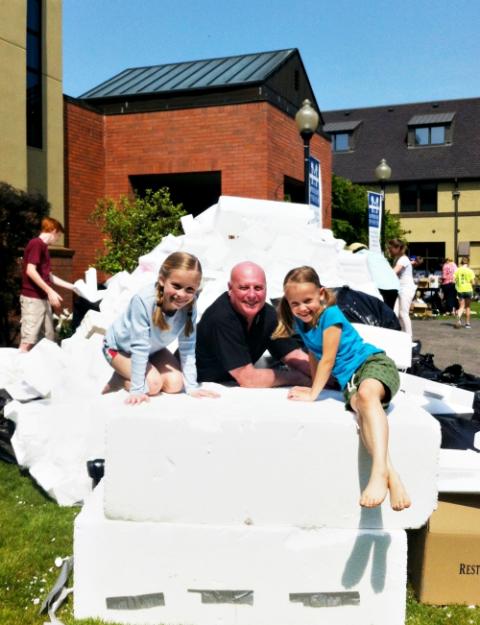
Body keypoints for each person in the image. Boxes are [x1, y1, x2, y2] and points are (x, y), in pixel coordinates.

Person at [273, 266, 410, 511]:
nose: (302, 308)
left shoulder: (331, 315)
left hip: (372, 365)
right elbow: (314, 357)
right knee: (362, 411)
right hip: (350, 383)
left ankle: (378, 474)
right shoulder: (302, 323)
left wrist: (314, 395)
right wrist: (313, 386)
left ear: (322, 294)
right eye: (295, 303)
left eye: (307, 300)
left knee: (368, 396)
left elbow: (328, 358)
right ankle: (393, 476)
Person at [102, 252, 219, 404]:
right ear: (162, 280)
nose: (182, 294)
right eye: (176, 286)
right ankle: (120, 379)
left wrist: (192, 386)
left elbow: (188, 347)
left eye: (190, 289)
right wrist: (137, 389)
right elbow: (139, 346)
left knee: (176, 384)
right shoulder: (144, 301)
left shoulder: (190, 305)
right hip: (119, 349)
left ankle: (136, 374)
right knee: (152, 385)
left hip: (152, 350)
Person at [196, 261, 311, 387]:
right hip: (199, 386)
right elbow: (248, 378)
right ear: (230, 288)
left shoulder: (268, 315)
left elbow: (294, 356)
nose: (251, 295)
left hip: (229, 382)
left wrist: (325, 376)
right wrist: (298, 378)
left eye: (258, 288)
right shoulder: (221, 317)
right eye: (244, 288)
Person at [19, 217, 74, 352]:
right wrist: (50, 291)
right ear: (54, 231)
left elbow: (48, 276)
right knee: (28, 341)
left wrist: (73, 287)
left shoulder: (43, 248)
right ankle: (17, 370)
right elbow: (30, 271)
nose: (57, 240)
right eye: (59, 236)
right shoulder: (36, 244)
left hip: (42, 299)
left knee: (48, 339)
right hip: (33, 299)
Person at [345, 242, 399, 310]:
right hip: (394, 286)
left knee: (374, 313)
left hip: (379, 287)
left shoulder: (358, 256)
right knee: (388, 313)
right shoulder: (377, 255)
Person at [387, 239, 416, 336]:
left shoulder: (403, 259)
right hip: (400, 288)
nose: (389, 251)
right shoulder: (397, 259)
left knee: (403, 314)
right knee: (395, 314)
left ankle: (409, 338)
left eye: (390, 249)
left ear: (398, 248)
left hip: (406, 288)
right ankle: (396, 336)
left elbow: (393, 272)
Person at [454, 257, 476, 329]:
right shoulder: (470, 271)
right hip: (468, 290)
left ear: (461, 262)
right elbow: (473, 282)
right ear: (468, 262)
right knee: (468, 307)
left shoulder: (457, 270)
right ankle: (467, 324)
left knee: (461, 307)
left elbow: (453, 280)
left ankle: (458, 319)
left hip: (460, 290)